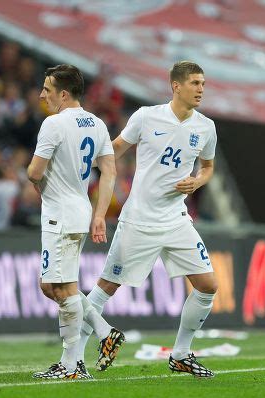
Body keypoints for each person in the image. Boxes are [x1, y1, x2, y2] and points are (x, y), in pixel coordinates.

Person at [80, 61, 218, 377]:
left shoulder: (205, 127)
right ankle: (74, 357)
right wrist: (84, 169)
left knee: (208, 285)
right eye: (195, 83)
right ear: (176, 86)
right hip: (139, 220)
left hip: (176, 219)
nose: (200, 89)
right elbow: (114, 149)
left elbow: (208, 167)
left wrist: (197, 181)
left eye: (203, 84)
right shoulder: (146, 116)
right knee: (104, 289)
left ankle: (181, 354)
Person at [27, 64, 124, 380]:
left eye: (47, 89)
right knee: (50, 284)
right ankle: (103, 330)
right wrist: (99, 215)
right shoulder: (96, 124)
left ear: (63, 93)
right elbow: (109, 171)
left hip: (59, 214)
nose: (43, 94)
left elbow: (33, 172)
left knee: (62, 287)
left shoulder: (53, 124)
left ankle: (71, 366)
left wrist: (39, 185)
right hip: (81, 211)